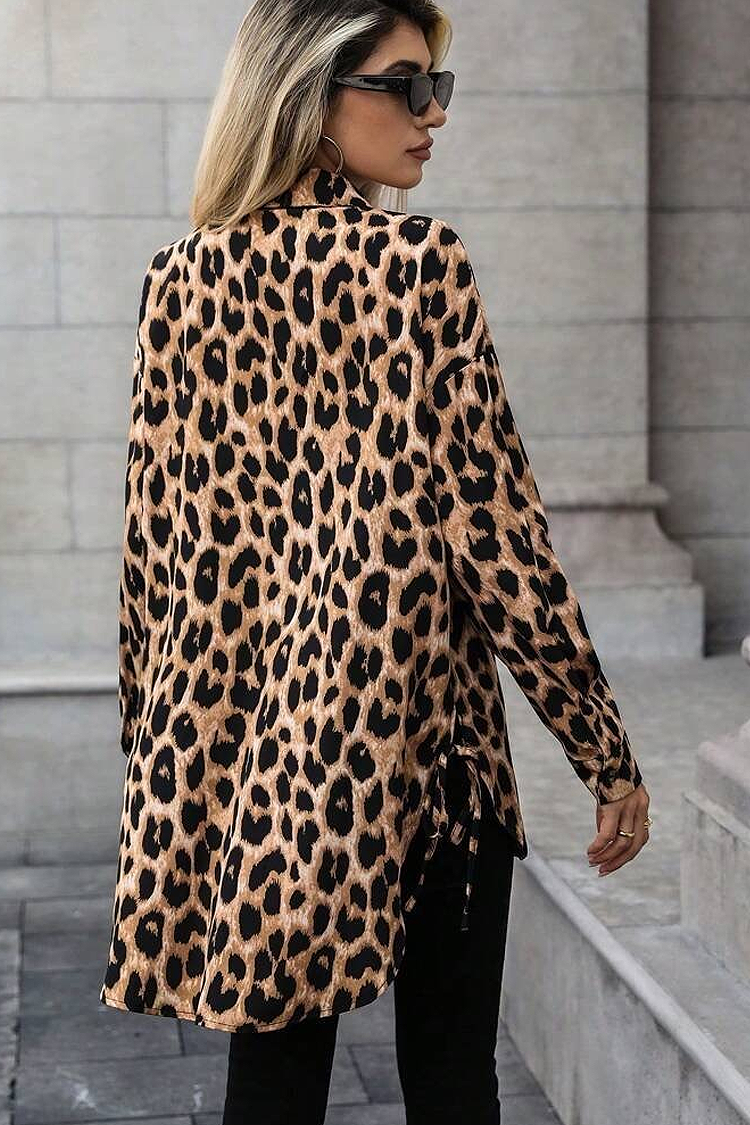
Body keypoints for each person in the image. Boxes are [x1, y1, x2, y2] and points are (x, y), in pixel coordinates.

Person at [99, 2, 652, 1123]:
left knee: (273, 1080)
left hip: (254, 762)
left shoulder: (179, 279)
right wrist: (604, 754)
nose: (431, 115)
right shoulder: (417, 267)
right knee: (449, 1080)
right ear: (310, 97)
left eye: (437, 87)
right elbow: (501, 540)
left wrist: (161, 764)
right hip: (425, 758)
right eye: (405, 87)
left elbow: (152, 552)